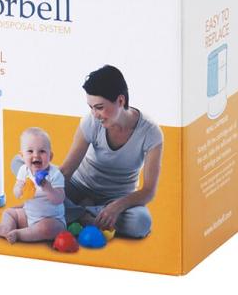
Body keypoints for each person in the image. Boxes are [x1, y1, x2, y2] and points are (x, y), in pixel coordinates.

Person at [60, 65, 163, 238]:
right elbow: (66, 171)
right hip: (79, 187)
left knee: (141, 222)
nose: (95, 114)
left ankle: (77, 213)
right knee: (46, 187)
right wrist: (45, 189)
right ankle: (88, 215)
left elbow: (148, 191)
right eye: (91, 107)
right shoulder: (91, 122)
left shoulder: (151, 132)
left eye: (99, 107)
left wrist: (116, 207)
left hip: (118, 197)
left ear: (120, 101)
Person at [0, 127, 66, 244]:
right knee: (9, 212)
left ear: (50, 156)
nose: (36, 155)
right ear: (22, 156)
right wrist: (19, 189)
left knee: (48, 228)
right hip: (28, 215)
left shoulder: (55, 174)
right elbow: (17, 193)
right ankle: (7, 228)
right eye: (30, 151)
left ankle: (19, 234)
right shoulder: (23, 170)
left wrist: (47, 187)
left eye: (42, 151)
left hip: (51, 219)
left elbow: (59, 199)